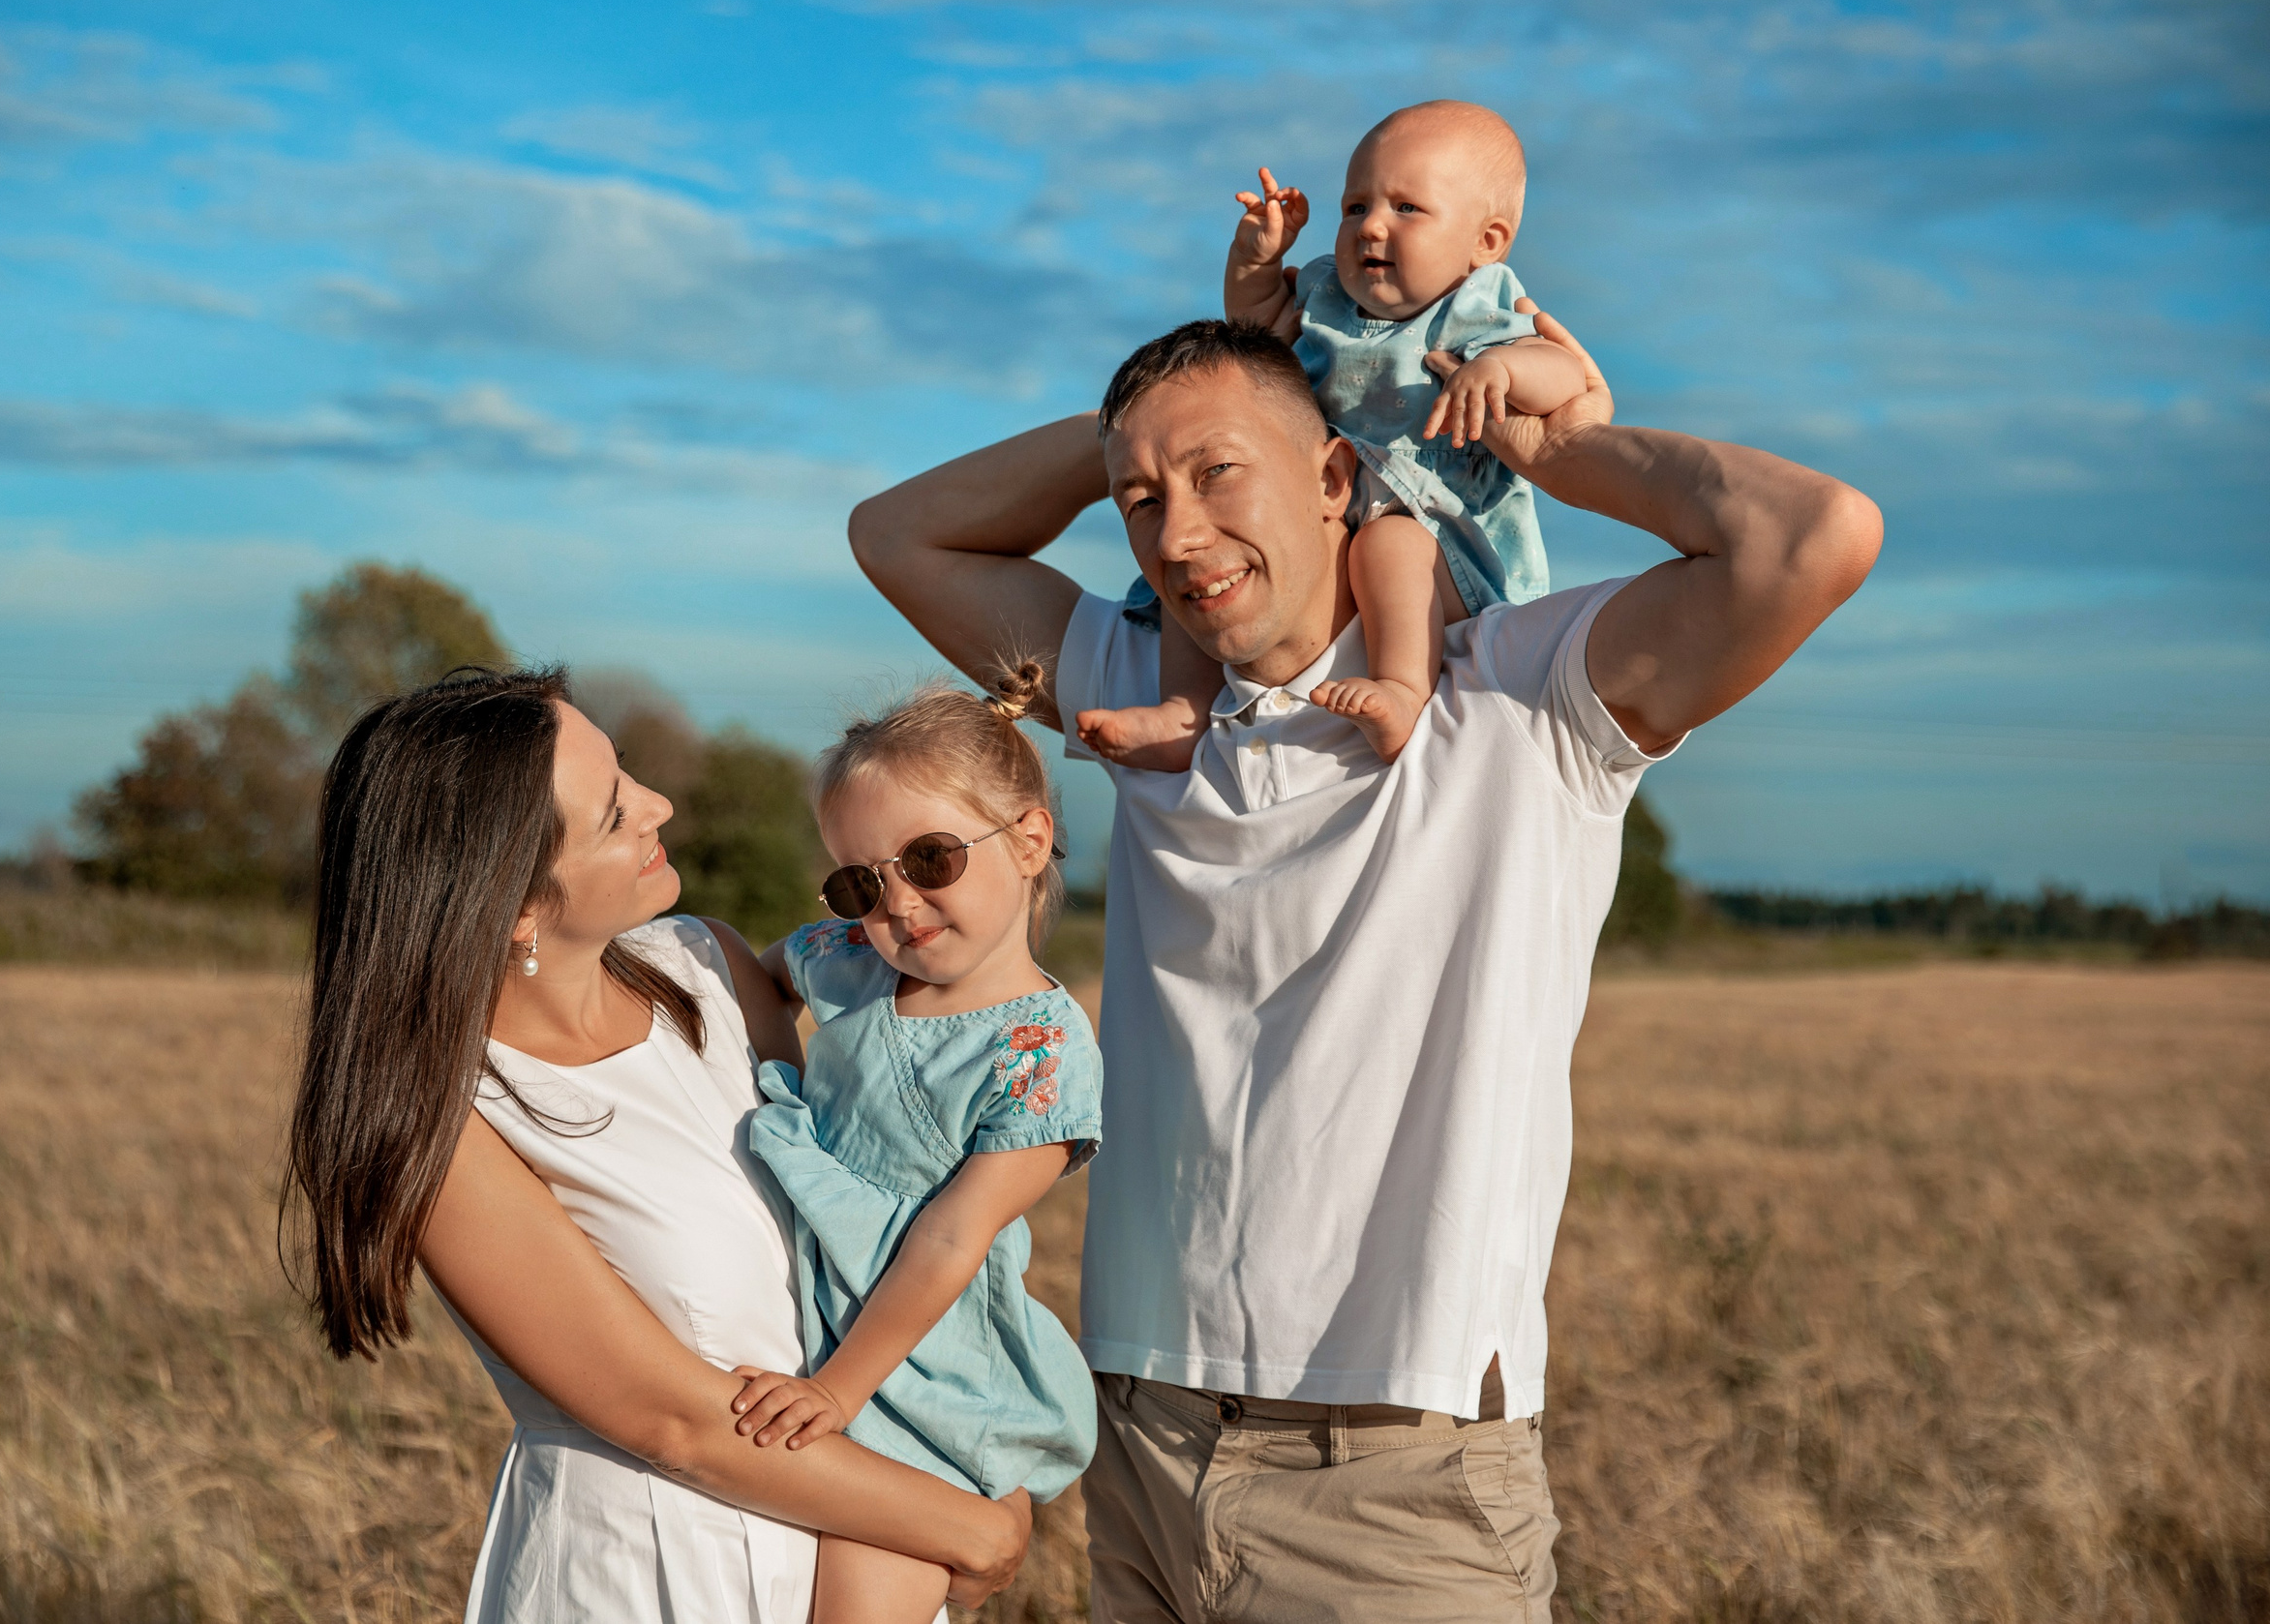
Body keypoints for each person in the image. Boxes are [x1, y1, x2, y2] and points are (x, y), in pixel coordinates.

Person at [848, 312, 1880, 1619]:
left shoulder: (1521, 694)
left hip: (1400, 1473)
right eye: (1140, 502)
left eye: (1222, 474)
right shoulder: (1148, 702)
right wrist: (1137, 429)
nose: (1174, 536)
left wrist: (1560, 446)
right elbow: (897, 535)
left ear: (1340, 477)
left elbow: (1815, 537)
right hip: (1145, 1432)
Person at [280, 667, 1031, 1622]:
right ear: (510, 904)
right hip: (653, 1575)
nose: (660, 805)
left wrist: (978, 1444)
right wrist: (969, 1527)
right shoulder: (447, 1122)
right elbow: (671, 1421)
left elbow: (866, 1218)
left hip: (861, 1552)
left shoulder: (712, 970)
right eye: (611, 813)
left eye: (626, 772)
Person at [725, 663, 1103, 1623]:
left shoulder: (1038, 1049)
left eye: (930, 859)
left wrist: (841, 1392)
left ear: (1028, 840)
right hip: (823, 1335)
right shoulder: (850, 962)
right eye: (860, 881)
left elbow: (951, 1238)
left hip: (917, 1372)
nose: (895, 905)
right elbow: (748, 977)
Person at [1080, 101, 1587, 769]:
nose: (1371, 225)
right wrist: (1256, 259)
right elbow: (1256, 330)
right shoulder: (1325, 294)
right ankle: (1183, 710)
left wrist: (1499, 370)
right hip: (1325, 507)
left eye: (1407, 208)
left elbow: (1564, 373)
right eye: (1355, 207)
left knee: (1390, 547)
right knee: (1197, 554)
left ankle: (1402, 688)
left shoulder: (1479, 307)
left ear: (1485, 242)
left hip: (1440, 532)